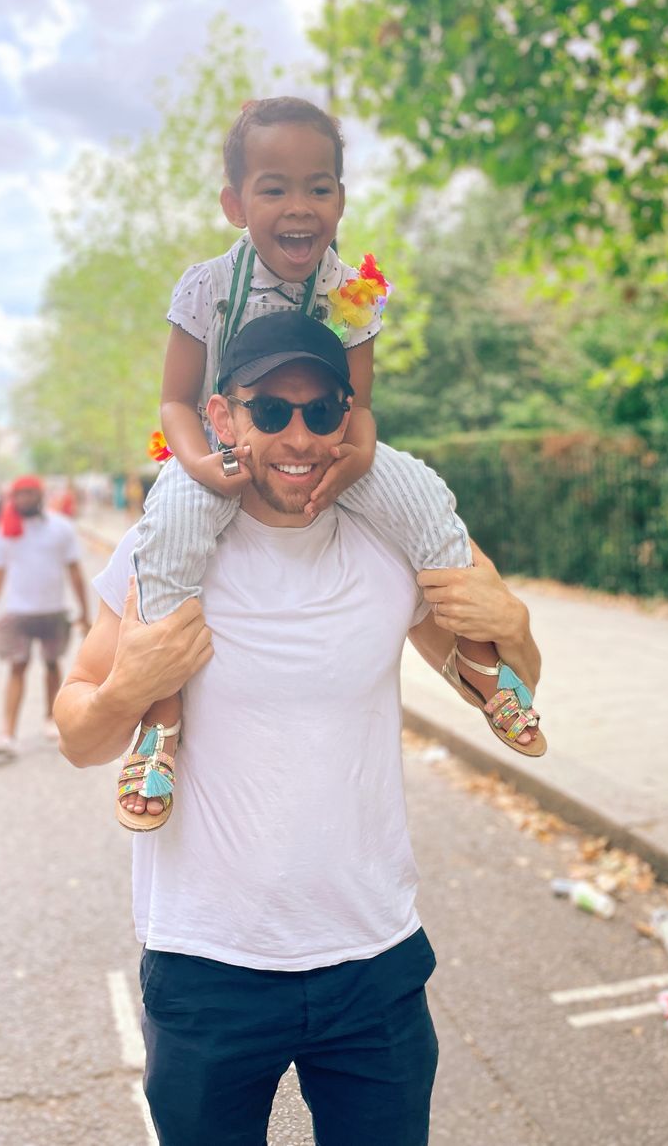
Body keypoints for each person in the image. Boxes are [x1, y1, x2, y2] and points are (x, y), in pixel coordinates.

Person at [54, 314, 542, 1144]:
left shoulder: (388, 542)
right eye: (270, 410)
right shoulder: (164, 548)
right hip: (208, 964)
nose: (298, 435)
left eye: (321, 413)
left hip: (373, 960)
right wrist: (126, 691)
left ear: (348, 419)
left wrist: (517, 621)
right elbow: (77, 733)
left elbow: (493, 683)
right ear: (224, 417)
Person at [120, 95, 543, 829]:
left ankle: (475, 657)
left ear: (341, 200)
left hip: (329, 444)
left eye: (319, 187)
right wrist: (197, 464)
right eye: (273, 187)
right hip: (226, 451)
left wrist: (355, 461)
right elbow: (175, 404)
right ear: (233, 202)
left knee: (422, 494)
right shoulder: (208, 287)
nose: (300, 206)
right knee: (171, 530)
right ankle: (160, 718)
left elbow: (363, 406)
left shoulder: (352, 291)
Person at [0, 476, 91, 755]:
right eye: (19, 495)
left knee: (52, 665)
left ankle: (51, 718)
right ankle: (8, 734)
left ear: (40, 495)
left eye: (29, 494)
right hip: (18, 612)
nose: (24, 500)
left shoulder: (61, 528)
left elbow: (75, 571)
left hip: (53, 611)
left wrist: (85, 612)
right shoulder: (5, 530)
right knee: (17, 666)